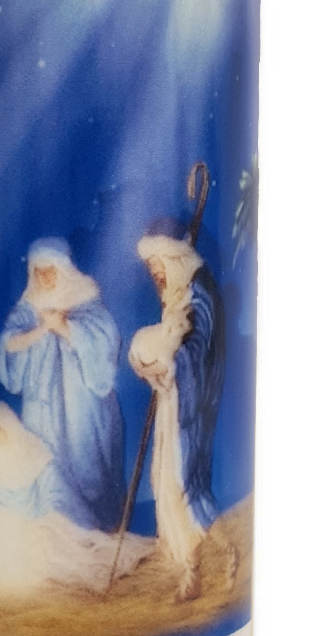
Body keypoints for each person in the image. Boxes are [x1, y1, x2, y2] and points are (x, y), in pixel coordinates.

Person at [0, 238, 125, 531]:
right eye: (38, 271)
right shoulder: (29, 307)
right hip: (42, 406)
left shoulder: (86, 299)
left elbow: (105, 340)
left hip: (81, 403)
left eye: (50, 270)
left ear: (63, 269)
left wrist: (66, 328)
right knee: (45, 464)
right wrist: (44, 328)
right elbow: (8, 343)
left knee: (85, 462)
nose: (44, 278)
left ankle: (94, 529)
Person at [128, 223, 226, 600]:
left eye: (159, 266)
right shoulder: (177, 293)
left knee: (184, 481)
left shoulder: (199, 293)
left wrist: (169, 365)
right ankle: (183, 561)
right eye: (151, 269)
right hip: (174, 402)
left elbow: (200, 351)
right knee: (164, 478)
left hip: (191, 408)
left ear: (173, 258)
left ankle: (210, 559)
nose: (155, 275)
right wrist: (154, 367)